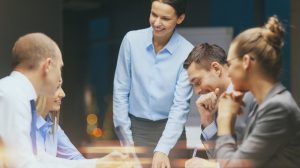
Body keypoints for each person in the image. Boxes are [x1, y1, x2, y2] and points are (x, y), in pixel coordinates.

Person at [0, 33, 129, 168]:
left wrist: (99, 163)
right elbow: (23, 165)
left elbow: (40, 158)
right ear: (48, 65)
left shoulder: (17, 93)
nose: (60, 77)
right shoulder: (13, 94)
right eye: (60, 68)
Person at [113, 0, 193, 167]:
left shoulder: (188, 52)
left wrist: (163, 149)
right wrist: (127, 144)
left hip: (171, 132)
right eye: (154, 14)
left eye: (165, 18)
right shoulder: (131, 41)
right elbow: (120, 92)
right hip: (135, 129)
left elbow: (180, 105)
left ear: (180, 19)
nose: (157, 23)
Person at [215, 16, 300, 167]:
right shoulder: (267, 105)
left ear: (246, 62)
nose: (228, 74)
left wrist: (224, 119)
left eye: (230, 64)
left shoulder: (278, 108)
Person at [182, 43, 255, 168]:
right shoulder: (218, 107)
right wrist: (208, 121)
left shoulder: (252, 97)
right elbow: (221, 157)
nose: (197, 91)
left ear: (216, 68)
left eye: (198, 82)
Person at [35, 78, 87, 159]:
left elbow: (74, 157)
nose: (63, 94)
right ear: (41, 90)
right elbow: (41, 162)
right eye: (57, 87)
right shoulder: (26, 124)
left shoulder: (52, 124)